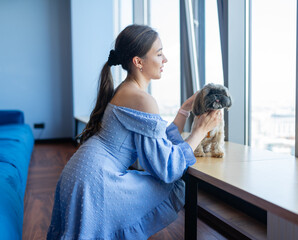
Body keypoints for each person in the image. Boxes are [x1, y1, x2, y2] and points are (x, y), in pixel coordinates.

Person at [47, 24, 222, 240]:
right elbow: (167, 167)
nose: (165, 59)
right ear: (138, 62)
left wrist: (184, 111)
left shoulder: (126, 89)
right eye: (159, 54)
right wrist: (200, 131)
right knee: (174, 183)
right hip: (96, 182)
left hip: (80, 173)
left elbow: (158, 142)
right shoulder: (142, 99)